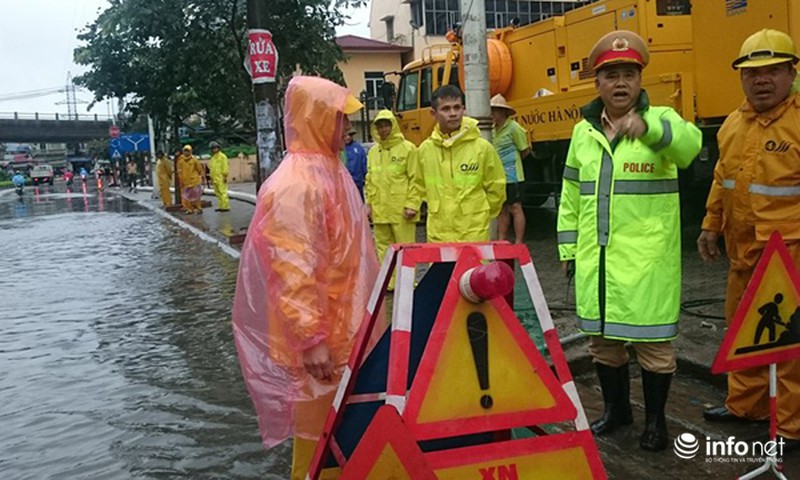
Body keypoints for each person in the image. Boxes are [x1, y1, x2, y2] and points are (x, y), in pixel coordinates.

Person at [556, 30, 701, 451]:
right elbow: (569, 195)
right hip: (596, 260)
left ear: (641, 81)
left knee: (654, 347)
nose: (621, 83)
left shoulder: (664, 119)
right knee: (603, 344)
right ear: (596, 83)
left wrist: (650, 128)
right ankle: (617, 411)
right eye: (611, 75)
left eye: (629, 74)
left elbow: (691, 148)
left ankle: (656, 423)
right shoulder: (583, 133)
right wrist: (567, 249)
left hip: (646, 263)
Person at [231, 76, 378, 480]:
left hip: (346, 331)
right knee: (318, 444)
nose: (346, 127)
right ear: (315, 117)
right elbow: (293, 268)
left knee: (347, 434)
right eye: (337, 117)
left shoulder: (330, 170)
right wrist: (312, 339)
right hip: (322, 343)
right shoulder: (296, 184)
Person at [697, 28, 800, 449]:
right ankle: (746, 405)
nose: (761, 80)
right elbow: (724, 178)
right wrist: (709, 224)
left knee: (790, 341)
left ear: (792, 73)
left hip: (790, 251)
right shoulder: (733, 125)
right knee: (743, 330)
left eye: (773, 71)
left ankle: (791, 425)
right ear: (740, 77)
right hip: (743, 250)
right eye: (753, 72)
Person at [416, 85, 506, 242]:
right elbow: (419, 186)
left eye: (457, 107)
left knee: (474, 268)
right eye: (446, 109)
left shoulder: (482, 148)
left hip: (474, 232)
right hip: (439, 233)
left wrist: (480, 213)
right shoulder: (425, 150)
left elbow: (496, 188)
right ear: (433, 113)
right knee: (442, 268)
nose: (453, 114)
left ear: (463, 109)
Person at [365, 110, 421, 289]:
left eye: (386, 125)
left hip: (401, 210)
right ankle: (389, 284)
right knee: (384, 248)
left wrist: (412, 204)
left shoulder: (408, 149)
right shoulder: (374, 152)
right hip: (380, 210)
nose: (383, 130)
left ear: (393, 125)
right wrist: (369, 205)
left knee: (405, 248)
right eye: (379, 126)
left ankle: (406, 284)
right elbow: (369, 180)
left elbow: (416, 179)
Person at [491, 94, 531, 244]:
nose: (492, 113)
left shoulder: (514, 128)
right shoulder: (493, 130)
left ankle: (519, 241)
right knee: (502, 208)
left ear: (503, 112)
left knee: (515, 207)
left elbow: (524, 150)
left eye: (495, 110)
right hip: (499, 176)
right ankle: (502, 239)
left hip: (514, 175)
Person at [177, 145, 204, 214]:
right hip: (185, 181)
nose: (186, 152)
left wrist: (199, 177)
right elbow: (179, 171)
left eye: (188, 151)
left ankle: (199, 208)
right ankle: (189, 209)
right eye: (185, 151)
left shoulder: (194, 159)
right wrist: (181, 180)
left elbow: (199, 169)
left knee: (196, 196)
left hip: (194, 180)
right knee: (187, 197)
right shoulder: (180, 161)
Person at [343, 129, 367, 198]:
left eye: (350, 135)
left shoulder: (358, 148)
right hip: (344, 184)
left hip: (357, 183)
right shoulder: (339, 149)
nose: (348, 137)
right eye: (346, 135)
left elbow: (364, 164)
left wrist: (365, 178)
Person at [208, 141, 230, 212]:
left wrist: (225, 176)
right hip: (215, 177)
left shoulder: (223, 157)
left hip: (220, 177)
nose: (214, 149)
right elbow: (212, 168)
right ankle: (221, 206)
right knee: (218, 193)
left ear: (218, 148)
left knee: (223, 192)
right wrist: (211, 177)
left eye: (215, 148)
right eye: (213, 148)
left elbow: (225, 167)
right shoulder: (213, 158)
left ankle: (225, 207)